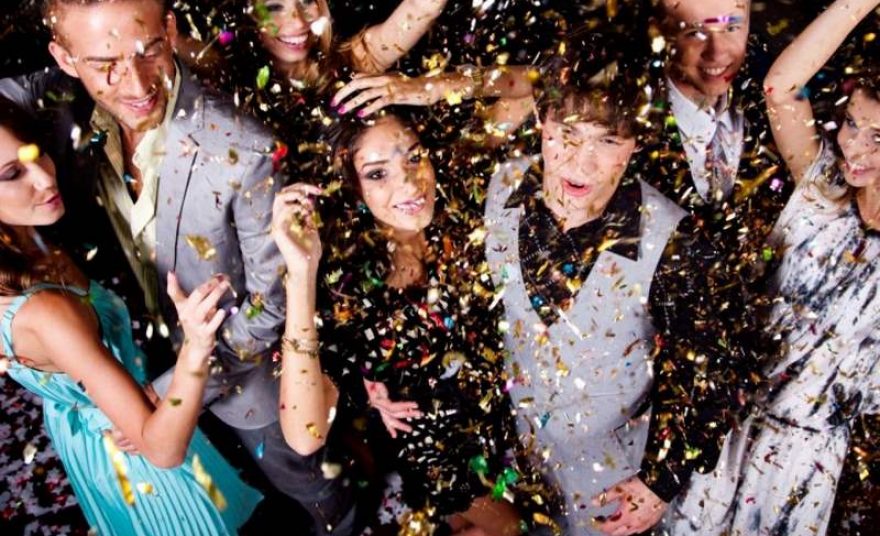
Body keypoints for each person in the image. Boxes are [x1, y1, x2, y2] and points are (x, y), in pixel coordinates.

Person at [0, 0, 355, 533]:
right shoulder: (51, 103)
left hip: (242, 380)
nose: (136, 83)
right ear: (65, 58)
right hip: (128, 360)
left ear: (169, 29)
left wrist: (171, 384)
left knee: (307, 487)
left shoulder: (244, 149)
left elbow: (269, 305)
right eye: (105, 64)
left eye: (149, 50)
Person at [478, 45, 744, 535]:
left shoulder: (673, 241)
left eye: (607, 141)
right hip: (513, 466)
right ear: (540, 119)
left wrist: (660, 483)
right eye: (567, 134)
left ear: (635, 141)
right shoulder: (499, 186)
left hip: (612, 482)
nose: (581, 162)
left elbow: (714, 371)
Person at [0, 95, 261, 535]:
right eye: (12, 174)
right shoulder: (47, 312)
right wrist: (196, 347)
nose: (45, 176)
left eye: (36, 153)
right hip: (135, 451)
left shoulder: (30, 249)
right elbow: (162, 450)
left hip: (89, 429)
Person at [666, 1, 880, 534]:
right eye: (852, 123)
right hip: (723, 421)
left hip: (804, 463)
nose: (853, 145)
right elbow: (781, 87)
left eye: (878, 137)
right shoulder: (822, 186)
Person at [272, 108, 523, 535]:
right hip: (447, 461)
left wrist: (416, 92)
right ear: (352, 186)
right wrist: (300, 274)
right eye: (377, 174)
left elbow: (532, 94)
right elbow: (303, 434)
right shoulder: (350, 288)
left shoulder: (460, 198)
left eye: (413, 157)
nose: (408, 183)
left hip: (516, 420)